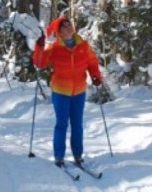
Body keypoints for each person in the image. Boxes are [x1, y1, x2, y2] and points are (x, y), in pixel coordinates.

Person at [33, 16, 103, 167]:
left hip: (79, 91)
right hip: (60, 91)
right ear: (60, 33)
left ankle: (78, 155)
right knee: (62, 124)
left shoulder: (84, 46)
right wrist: (39, 47)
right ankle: (59, 156)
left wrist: (96, 76)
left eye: (69, 24)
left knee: (77, 124)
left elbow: (92, 62)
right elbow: (40, 63)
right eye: (64, 26)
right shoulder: (55, 48)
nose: (68, 27)